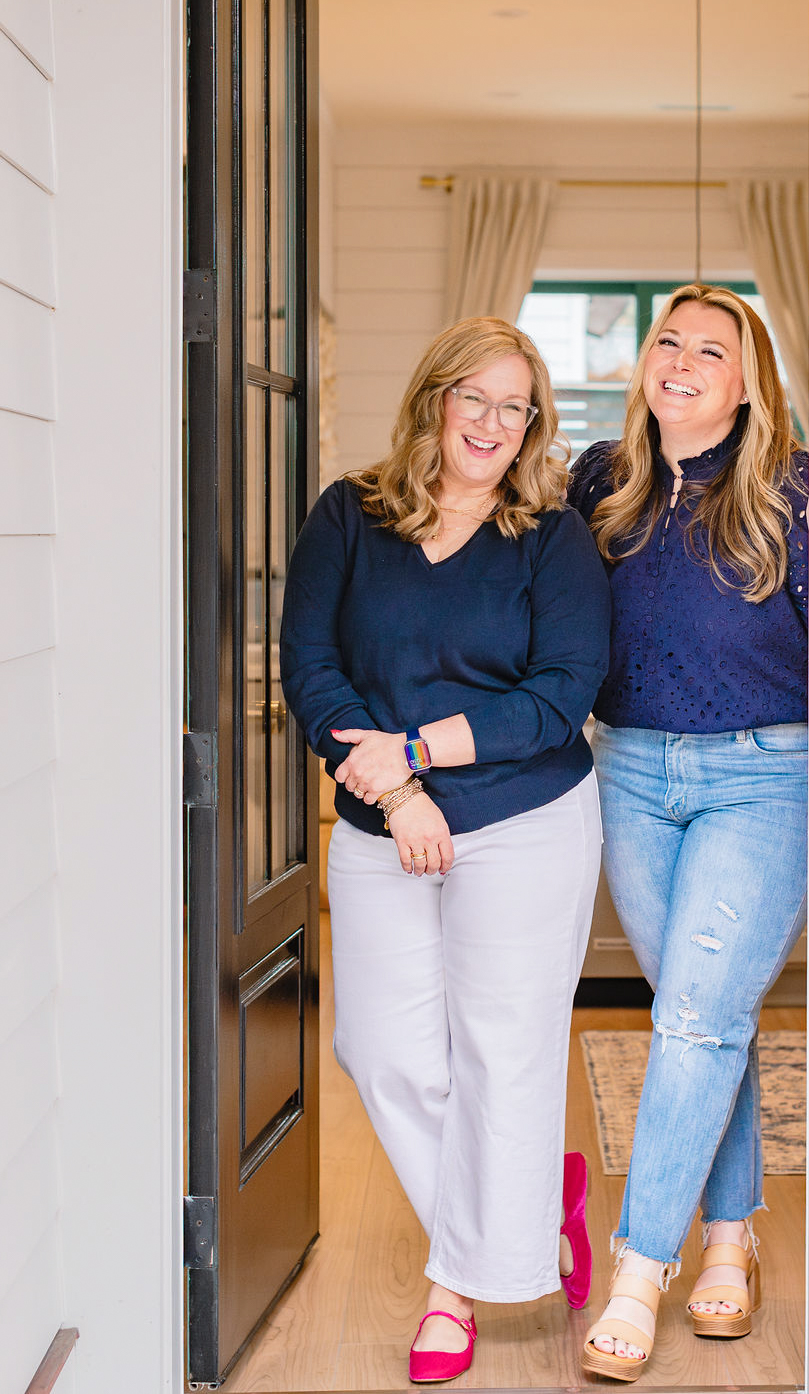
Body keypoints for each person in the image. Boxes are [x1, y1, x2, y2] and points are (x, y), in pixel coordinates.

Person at [280, 315, 610, 1385]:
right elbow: (311, 667)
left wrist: (420, 746)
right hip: (384, 820)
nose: (492, 422)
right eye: (476, 396)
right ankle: (531, 1206)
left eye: (515, 406)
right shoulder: (349, 511)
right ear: (435, 397)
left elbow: (562, 695)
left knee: (500, 1050)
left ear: (532, 425)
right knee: (380, 1049)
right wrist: (402, 788)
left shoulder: (551, 532)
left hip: (523, 817)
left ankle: (450, 1288)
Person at [567, 283, 809, 1382]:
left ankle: (638, 1267)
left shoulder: (792, 491)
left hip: (763, 775)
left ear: (746, 381)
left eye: (712, 349)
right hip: (628, 767)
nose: (680, 359)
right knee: (700, 1018)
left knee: (699, 1017)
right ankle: (729, 1238)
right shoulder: (598, 484)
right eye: (668, 339)